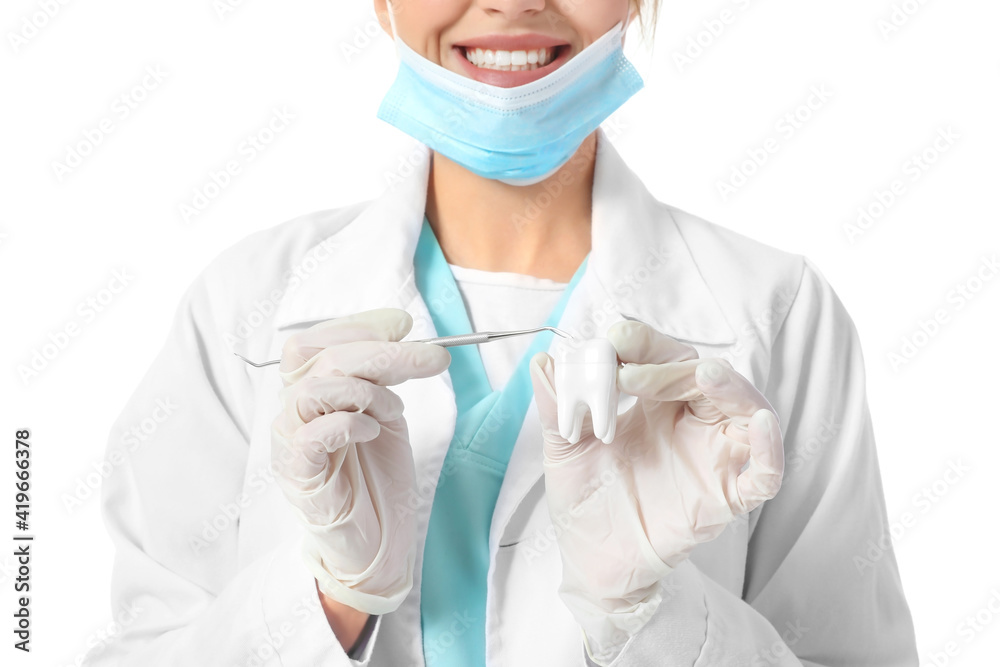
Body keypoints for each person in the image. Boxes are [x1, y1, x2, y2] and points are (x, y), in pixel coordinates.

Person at [91, 1, 918, 665]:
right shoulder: (249, 307)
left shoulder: (774, 315)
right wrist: (329, 599)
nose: (511, 3)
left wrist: (650, 621)